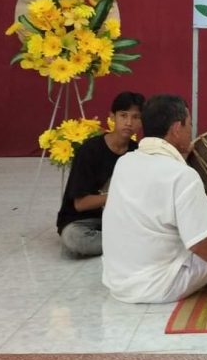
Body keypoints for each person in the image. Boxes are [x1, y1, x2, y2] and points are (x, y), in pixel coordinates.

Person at [102, 94, 207, 303]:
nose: (191, 131)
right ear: (176, 128)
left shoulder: (124, 162)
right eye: (189, 124)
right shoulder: (182, 175)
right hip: (160, 287)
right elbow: (202, 246)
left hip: (118, 283)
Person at [56, 91, 145, 257]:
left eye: (136, 117)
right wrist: (119, 196)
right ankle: (131, 242)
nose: (128, 122)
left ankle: (124, 241)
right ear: (112, 117)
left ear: (142, 122)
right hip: (84, 221)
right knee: (74, 238)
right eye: (123, 116)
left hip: (120, 219)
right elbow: (80, 204)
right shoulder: (89, 151)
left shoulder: (138, 152)